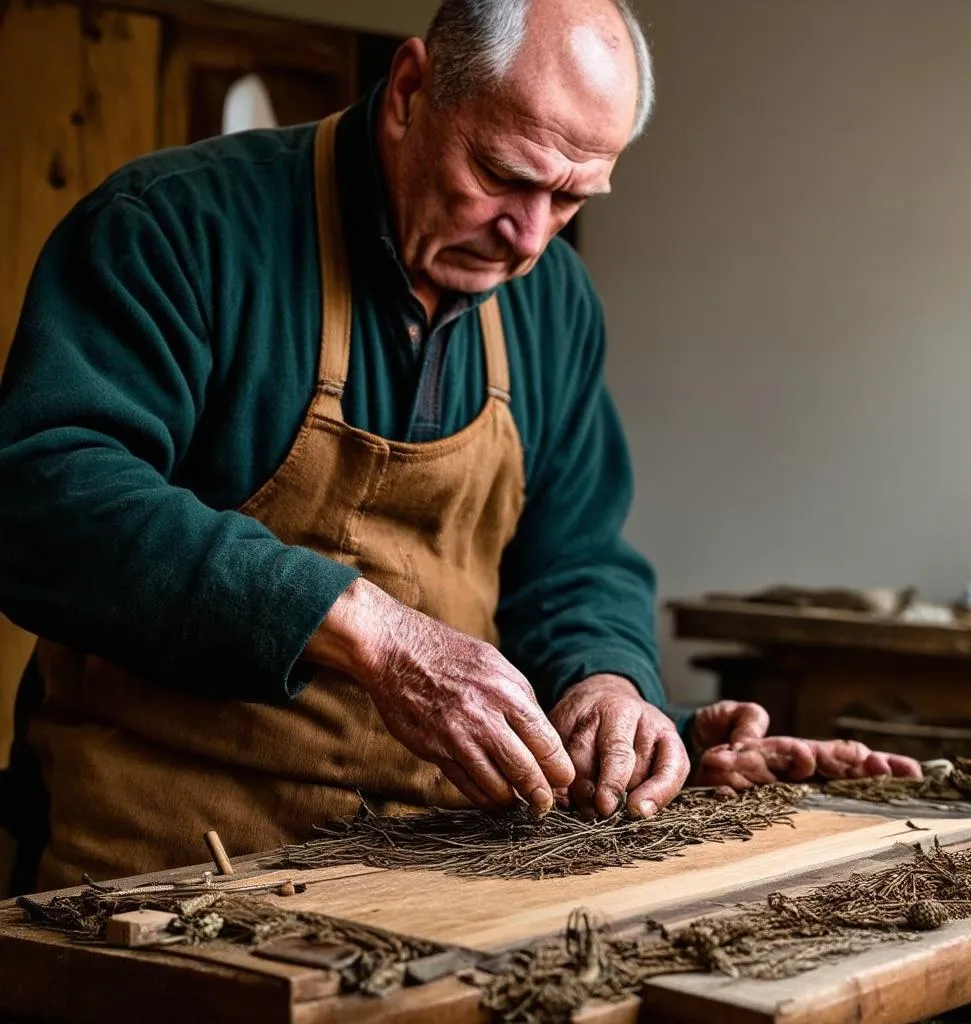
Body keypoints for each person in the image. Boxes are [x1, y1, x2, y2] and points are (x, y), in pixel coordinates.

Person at [0, 0, 917, 892]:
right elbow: (42, 496)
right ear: (408, 90)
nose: (529, 237)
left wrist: (611, 689)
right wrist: (377, 633)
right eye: (505, 174)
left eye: (571, 197)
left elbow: (576, 561)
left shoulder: (552, 301)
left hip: (427, 871)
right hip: (158, 872)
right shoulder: (174, 229)